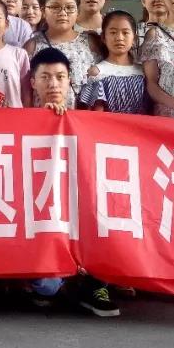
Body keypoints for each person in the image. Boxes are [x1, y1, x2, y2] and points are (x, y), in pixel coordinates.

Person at [22, 47, 122, 318]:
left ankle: (93, 286)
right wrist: (45, 120)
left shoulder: (88, 120)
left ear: (70, 80)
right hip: (43, 212)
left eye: (60, 77)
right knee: (48, 285)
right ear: (33, 82)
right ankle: (52, 285)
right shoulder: (20, 122)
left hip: (82, 205)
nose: (53, 84)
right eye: (45, 77)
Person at [24, 0, 102, 96]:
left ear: (78, 12)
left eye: (69, 8)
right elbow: (25, 92)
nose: (63, 13)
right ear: (43, 11)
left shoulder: (91, 43)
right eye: (55, 7)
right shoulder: (32, 46)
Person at [78, 10, 149, 115]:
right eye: (113, 32)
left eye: (125, 33)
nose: (119, 38)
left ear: (134, 38)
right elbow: (94, 116)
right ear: (103, 37)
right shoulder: (97, 73)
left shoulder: (144, 71)